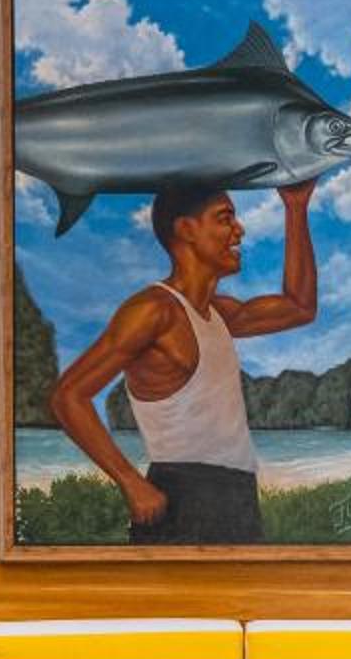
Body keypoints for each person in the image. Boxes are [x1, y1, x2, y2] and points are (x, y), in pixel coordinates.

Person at [48, 180, 320, 544]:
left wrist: (296, 207)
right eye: (225, 218)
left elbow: (300, 307)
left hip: (238, 493)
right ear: (186, 229)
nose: (239, 230)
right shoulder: (152, 311)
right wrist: (130, 482)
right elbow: (68, 396)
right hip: (181, 494)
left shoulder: (220, 313)